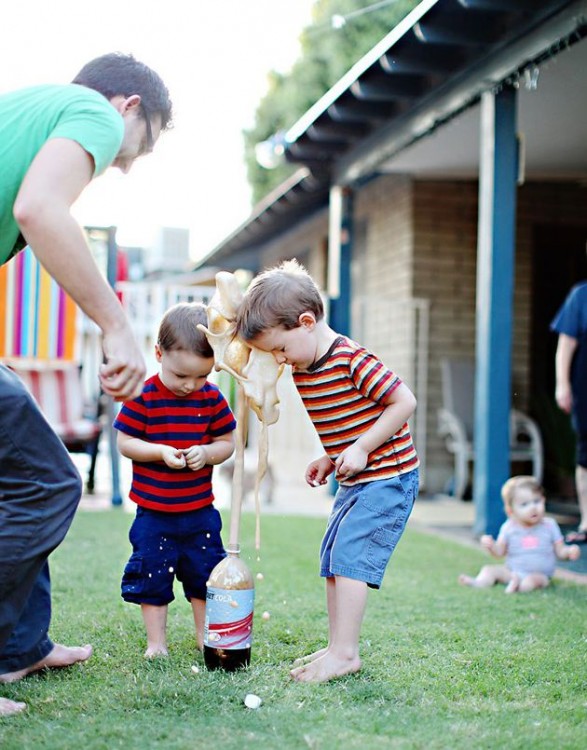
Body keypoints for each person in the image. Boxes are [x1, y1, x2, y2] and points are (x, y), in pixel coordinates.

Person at [0, 53, 172, 717]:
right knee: (46, 480)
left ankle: (18, 647)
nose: (127, 164)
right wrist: (117, 326)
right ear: (128, 105)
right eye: (144, 143)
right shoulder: (92, 111)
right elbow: (41, 209)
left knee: (23, 473)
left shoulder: (30, 114)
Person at [235, 259, 419, 683]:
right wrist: (332, 455)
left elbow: (404, 401)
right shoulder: (304, 366)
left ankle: (346, 654)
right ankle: (338, 646)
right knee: (334, 556)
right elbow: (347, 417)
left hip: (388, 476)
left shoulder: (351, 357)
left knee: (352, 556)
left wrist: (361, 447)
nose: (279, 360)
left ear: (306, 322)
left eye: (280, 348)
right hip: (357, 476)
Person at [114, 303, 236, 658]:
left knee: (204, 575)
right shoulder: (143, 395)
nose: (190, 385)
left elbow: (226, 442)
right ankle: (157, 643)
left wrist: (207, 453)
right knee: (152, 576)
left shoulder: (212, 398)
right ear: (158, 354)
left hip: (199, 512)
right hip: (154, 513)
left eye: (202, 376)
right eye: (181, 375)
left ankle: (205, 636)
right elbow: (125, 442)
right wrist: (159, 451)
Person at [459, 475, 580, 593]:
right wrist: (491, 546)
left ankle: (517, 587)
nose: (533, 507)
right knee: (489, 570)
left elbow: (560, 551)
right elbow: (499, 552)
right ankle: (479, 582)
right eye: (524, 504)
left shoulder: (549, 525)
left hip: (540, 574)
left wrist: (569, 552)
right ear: (510, 511)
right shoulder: (509, 527)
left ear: (543, 500)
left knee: (531, 582)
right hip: (513, 571)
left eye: (536, 501)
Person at [551, 279, 587, 544]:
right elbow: (566, 345)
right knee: (585, 456)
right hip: (584, 387)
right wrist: (562, 384)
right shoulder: (580, 295)